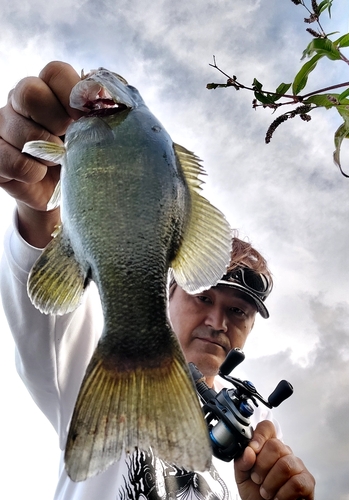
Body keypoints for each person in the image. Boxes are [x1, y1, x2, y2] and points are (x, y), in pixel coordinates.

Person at [0, 61, 315, 500]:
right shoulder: (97, 361)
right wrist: (40, 208)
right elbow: (41, 309)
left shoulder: (229, 477)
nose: (218, 321)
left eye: (238, 312)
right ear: (168, 291)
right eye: (203, 296)